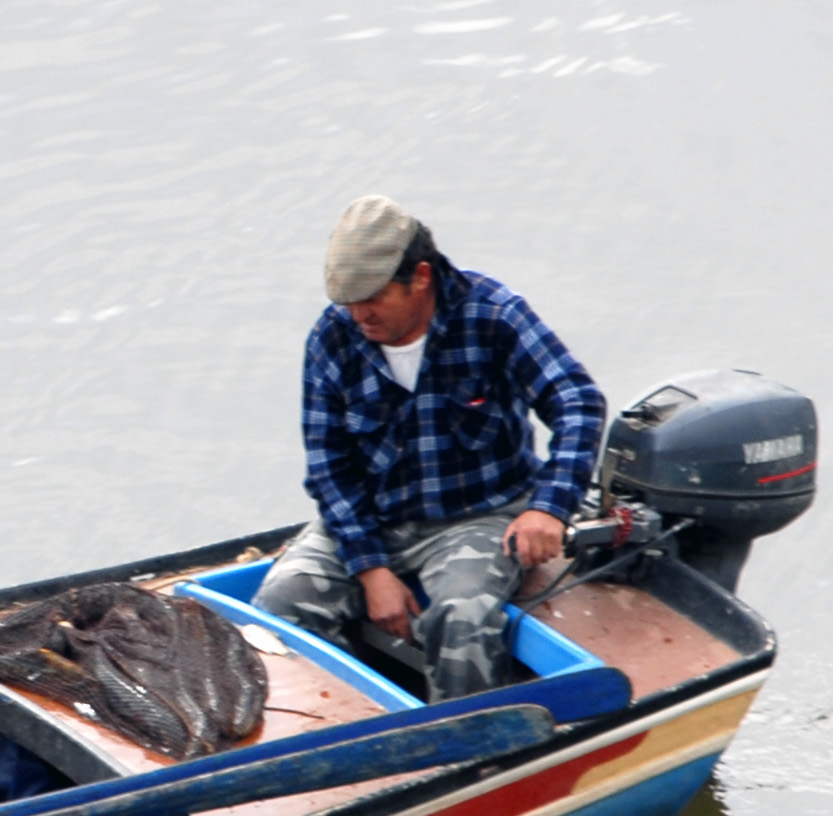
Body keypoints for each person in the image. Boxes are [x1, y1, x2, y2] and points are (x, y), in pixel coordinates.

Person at [256, 196, 608, 700]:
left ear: (420, 277)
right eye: (348, 301)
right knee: (280, 605)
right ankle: (350, 734)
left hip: (479, 515)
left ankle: (471, 750)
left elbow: (578, 401)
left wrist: (550, 508)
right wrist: (371, 569)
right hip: (373, 517)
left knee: (460, 617)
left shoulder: (494, 316)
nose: (360, 314)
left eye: (373, 297)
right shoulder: (332, 338)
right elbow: (329, 468)